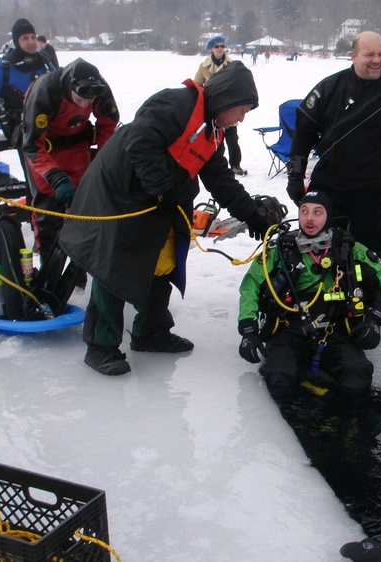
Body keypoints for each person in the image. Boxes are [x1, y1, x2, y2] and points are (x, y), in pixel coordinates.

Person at [59, 61, 273, 376]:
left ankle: (150, 331)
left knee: (165, 258)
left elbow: (220, 180)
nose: (242, 118)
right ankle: (100, 347)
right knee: (114, 267)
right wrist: (162, 190)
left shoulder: (213, 130)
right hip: (120, 193)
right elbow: (140, 142)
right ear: (227, 99)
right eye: (242, 109)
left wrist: (252, 215)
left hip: (158, 195)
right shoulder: (177, 104)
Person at [237, 190, 381, 399]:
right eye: (304, 211)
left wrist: (375, 320)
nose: (309, 218)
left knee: (357, 376)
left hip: (335, 330)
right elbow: (251, 284)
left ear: (328, 216)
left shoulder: (348, 249)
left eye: (317, 212)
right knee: (279, 379)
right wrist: (248, 329)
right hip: (289, 329)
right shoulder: (281, 249)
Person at [287, 31, 381, 253]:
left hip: (371, 194)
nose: (377, 60)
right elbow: (304, 132)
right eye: (369, 54)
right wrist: (295, 175)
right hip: (327, 189)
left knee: (365, 257)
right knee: (319, 254)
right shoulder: (330, 88)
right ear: (353, 56)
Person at [22, 58, 119, 265]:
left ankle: (80, 269)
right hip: (45, 152)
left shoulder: (99, 88)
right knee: (48, 212)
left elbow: (108, 125)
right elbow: (32, 146)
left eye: (90, 101)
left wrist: (104, 162)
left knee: (83, 208)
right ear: (70, 87)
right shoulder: (45, 92)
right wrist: (55, 177)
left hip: (77, 148)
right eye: (81, 99)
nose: (85, 104)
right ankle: (49, 265)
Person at [0, 18, 55, 145]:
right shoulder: (2, 68)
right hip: (20, 132)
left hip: (50, 127)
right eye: (25, 38)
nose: (31, 41)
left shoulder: (45, 63)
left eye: (33, 37)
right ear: (16, 41)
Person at [194, 35, 246, 176]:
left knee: (232, 139)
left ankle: (235, 165)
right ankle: (217, 165)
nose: (220, 49)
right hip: (213, 108)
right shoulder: (204, 66)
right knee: (216, 139)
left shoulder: (232, 65)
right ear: (211, 49)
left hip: (229, 107)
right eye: (216, 46)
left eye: (222, 46)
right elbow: (197, 85)